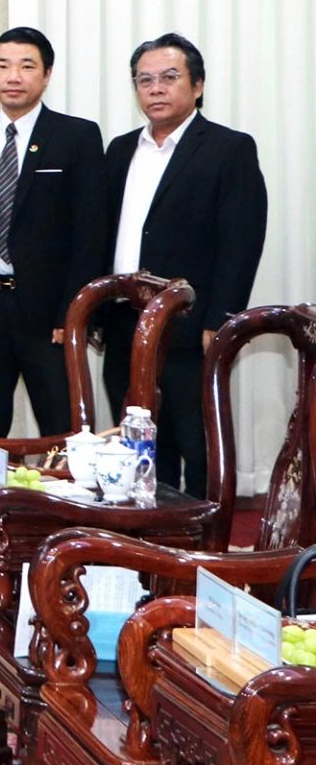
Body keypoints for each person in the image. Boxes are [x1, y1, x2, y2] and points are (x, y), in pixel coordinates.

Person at [103, 33, 266, 497]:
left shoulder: (227, 149)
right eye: (144, 80)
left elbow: (242, 240)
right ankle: (143, 541)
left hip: (191, 328)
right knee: (137, 444)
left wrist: (222, 317)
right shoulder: (119, 150)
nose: (155, 89)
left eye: (169, 78)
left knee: (196, 444)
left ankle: (199, 545)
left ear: (197, 86)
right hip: (124, 327)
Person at [0, 28, 107, 441]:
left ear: (47, 73)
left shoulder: (78, 136)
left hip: (48, 313)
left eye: (26, 66)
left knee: (62, 427)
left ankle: (61, 506)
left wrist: (72, 313)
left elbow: (91, 234)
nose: (13, 76)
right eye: (2, 66)